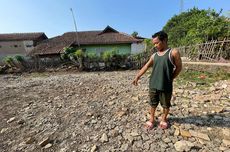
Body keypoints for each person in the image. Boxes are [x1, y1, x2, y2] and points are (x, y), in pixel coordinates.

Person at [132, 31, 182, 130]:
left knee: (166, 105)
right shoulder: (154, 55)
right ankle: (151, 119)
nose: (155, 45)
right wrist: (138, 76)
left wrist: (171, 78)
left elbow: (179, 67)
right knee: (152, 103)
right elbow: (146, 66)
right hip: (153, 84)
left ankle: (163, 119)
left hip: (165, 85)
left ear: (165, 40)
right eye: (154, 43)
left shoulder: (173, 53)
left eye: (157, 43)